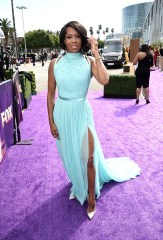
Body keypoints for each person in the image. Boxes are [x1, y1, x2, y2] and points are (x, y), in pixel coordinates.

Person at [47, 21, 140, 220]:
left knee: (89, 158)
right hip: (62, 113)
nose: (73, 40)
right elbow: (50, 95)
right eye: (69, 36)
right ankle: (79, 184)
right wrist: (51, 121)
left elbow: (105, 80)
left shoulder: (89, 61)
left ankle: (91, 198)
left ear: (83, 39)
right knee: (71, 155)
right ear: (64, 39)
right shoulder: (55, 63)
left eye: (77, 36)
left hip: (82, 112)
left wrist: (96, 52)